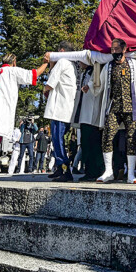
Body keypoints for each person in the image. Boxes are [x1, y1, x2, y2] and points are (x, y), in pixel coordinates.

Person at [0, 53, 46, 183]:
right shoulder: (13, 71)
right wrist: (46, 63)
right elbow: (33, 75)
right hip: (2, 111)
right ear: (14, 61)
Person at [94, 38, 136, 184]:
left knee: (131, 139)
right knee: (107, 136)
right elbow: (100, 84)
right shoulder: (108, 67)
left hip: (131, 108)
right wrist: (90, 86)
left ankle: (131, 173)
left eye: (117, 49)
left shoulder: (134, 65)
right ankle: (108, 171)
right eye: (112, 50)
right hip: (114, 107)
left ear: (124, 49)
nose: (114, 52)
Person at [43, 41, 78, 182]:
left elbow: (50, 84)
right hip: (66, 108)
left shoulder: (62, 62)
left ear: (61, 51)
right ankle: (59, 168)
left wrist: (44, 90)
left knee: (58, 139)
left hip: (59, 108)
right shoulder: (73, 64)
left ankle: (65, 170)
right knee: (58, 139)